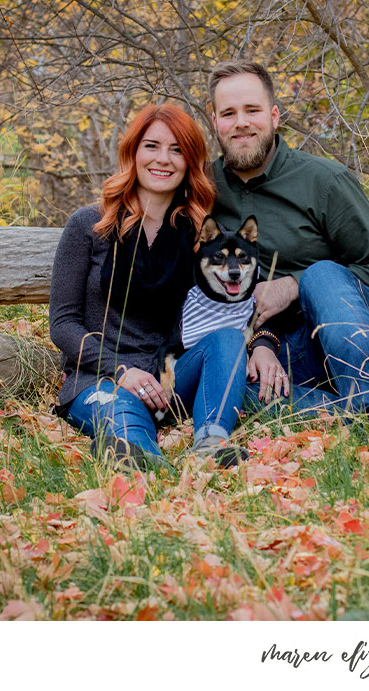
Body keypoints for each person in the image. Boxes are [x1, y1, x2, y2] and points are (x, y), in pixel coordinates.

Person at [207, 60, 369, 431]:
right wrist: (260, 344)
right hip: (281, 356)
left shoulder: (324, 180)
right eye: (229, 113)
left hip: (347, 336)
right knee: (228, 386)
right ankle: (357, 416)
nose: (241, 122)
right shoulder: (203, 189)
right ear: (215, 123)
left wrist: (292, 285)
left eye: (252, 110)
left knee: (321, 275)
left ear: (273, 116)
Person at [49, 103, 248, 468]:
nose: (164, 159)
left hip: (168, 381)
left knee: (228, 340)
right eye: (152, 146)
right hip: (99, 379)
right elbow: (62, 325)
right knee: (122, 412)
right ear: (133, 152)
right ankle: (141, 460)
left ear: (190, 162)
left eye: (177, 150)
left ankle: (210, 445)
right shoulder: (88, 225)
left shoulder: (199, 236)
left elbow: (233, 305)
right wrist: (121, 371)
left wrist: (267, 341)